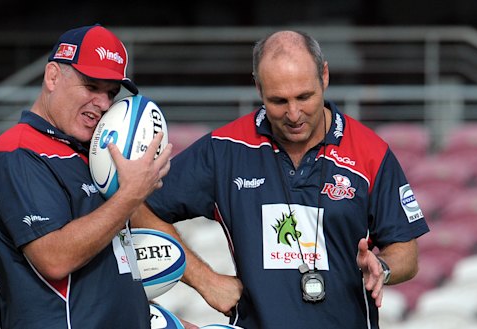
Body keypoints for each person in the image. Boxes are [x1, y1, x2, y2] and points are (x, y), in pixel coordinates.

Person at [132, 30, 430, 328]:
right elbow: (138, 206)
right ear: (258, 87)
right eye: (278, 100)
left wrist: (384, 268)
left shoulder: (371, 153)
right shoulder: (224, 149)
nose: (294, 113)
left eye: (304, 97)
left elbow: (406, 251)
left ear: (324, 76)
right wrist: (205, 280)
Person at [0, 24, 173, 329]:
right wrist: (130, 195)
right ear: (53, 76)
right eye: (92, 86)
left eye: (111, 92)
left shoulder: (93, 156)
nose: (104, 104)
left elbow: (108, 278)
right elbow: (54, 258)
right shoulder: (17, 152)